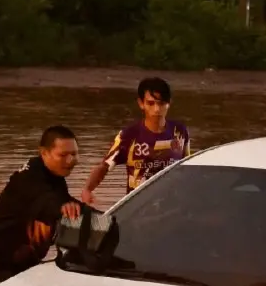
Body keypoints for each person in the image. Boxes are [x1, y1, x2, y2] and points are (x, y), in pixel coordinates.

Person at [0, 126, 84, 286]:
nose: (70, 160)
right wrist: (63, 208)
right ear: (44, 153)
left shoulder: (55, 177)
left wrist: (106, 218)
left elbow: (64, 203)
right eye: (63, 155)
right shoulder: (28, 179)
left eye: (74, 154)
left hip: (23, 261)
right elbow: (48, 203)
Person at [80, 77, 190, 205]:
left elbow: (187, 167)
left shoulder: (180, 132)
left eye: (161, 103)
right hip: (138, 207)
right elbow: (104, 166)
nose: (156, 109)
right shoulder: (129, 135)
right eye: (151, 103)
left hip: (171, 205)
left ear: (169, 103)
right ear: (141, 103)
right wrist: (87, 190)